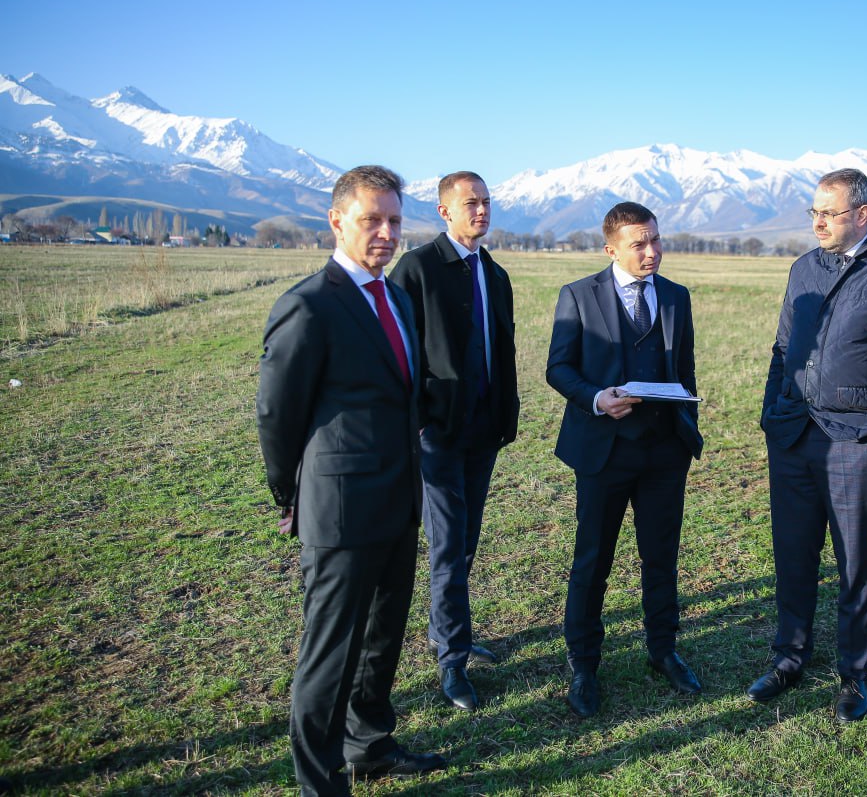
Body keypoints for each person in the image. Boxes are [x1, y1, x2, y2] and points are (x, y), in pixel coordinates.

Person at [256, 165, 445, 795]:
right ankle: (320, 783)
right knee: (331, 655)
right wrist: (290, 495)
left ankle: (369, 747)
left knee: (382, 640)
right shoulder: (309, 305)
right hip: (339, 510)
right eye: (372, 220)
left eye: (394, 220)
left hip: (399, 499)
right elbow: (277, 415)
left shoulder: (396, 297)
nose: (386, 233)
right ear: (337, 221)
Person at [750, 168, 867, 724]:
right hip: (792, 435)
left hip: (856, 440)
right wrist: (771, 414)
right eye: (813, 212)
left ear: (862, 214)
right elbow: (783, 348)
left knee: (855, 562)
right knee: (792, 554)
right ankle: (789, 658)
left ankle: (854, 673)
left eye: (828, 213)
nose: (818, 222)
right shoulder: (803, 268)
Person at [546, 201, 704, 718]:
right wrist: (596, 398)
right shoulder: (577, 295)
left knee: (661, 557)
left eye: (655, 239)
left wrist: (686, 424)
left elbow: (685, 369)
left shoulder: (677, 296)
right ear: (610, 248)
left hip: (664, 453)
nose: (651, 251)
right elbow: (558, 368)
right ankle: (584, 664)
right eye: (639, 243)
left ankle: (663, 650)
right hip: (603, 451)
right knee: (593, 561)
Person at [389, 171, 518, 711]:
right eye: (470, 203)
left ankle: (446, 630)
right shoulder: (416, 268)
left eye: (486, 201)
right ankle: (452, 661)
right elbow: (398, 350)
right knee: (445, 544)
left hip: (484, 429)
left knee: (465, 540)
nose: (481, 211)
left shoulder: (495, 273)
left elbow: (503, 350)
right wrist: (418, 419)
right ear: (444, 211)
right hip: (437, 434)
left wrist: (506, 414)